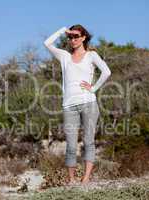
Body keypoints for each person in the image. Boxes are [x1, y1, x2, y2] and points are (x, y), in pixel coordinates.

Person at [43, 24, 111, 185]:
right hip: (69, 106)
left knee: (88, 142)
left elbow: (107, 72)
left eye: (76, 36)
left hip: (88, 103)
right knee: (71, 145)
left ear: (83, 37)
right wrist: (62, 30)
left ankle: (86, 179)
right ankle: (71, 180)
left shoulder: (91, 55)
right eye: (70, 37)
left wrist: (93, 88)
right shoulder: (64, 57)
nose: (72, 40)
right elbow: (47, 43)